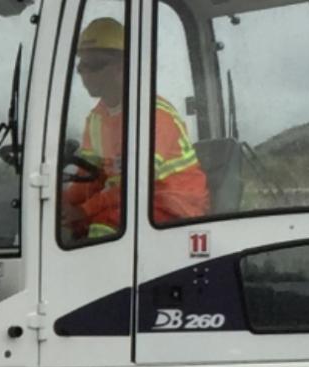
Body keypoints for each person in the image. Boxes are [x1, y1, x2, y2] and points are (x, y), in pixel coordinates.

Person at [62, 16, 209, 244]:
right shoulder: (97, 118)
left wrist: (85, 210)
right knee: (69, 226)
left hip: (173, 206)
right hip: (131, 203)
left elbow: (137, 182)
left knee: (102, 231)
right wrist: (63, 202)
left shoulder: (153, 115)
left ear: (122, 66)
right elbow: (89, 176)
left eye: (94, 65)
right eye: (81, 65)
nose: (84, 73)